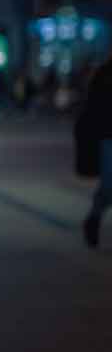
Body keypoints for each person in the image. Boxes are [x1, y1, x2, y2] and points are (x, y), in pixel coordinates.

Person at [80, 55, 112, 249]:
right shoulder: (104, 73)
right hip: (108, 135)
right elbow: (92, 106)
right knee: (109, 185)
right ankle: (94, 218)